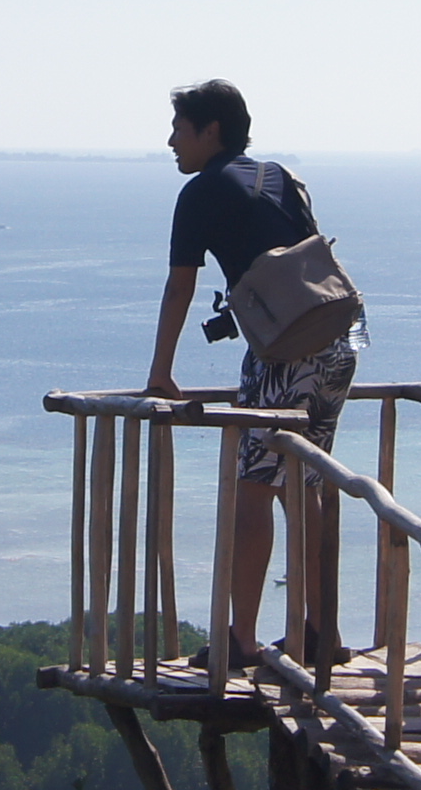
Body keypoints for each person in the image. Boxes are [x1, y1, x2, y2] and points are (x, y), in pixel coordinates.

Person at [142, 79, 358, 650]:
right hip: (338, 341)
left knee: (255, 488)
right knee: (305, 486)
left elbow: (180, 286)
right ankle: (322, 634)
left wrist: (160, 373)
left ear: (210, 131)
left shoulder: (200, 193)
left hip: (285, 350)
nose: (171, 141)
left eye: (179, 129)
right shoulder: (281, 177)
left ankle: (240, 640)